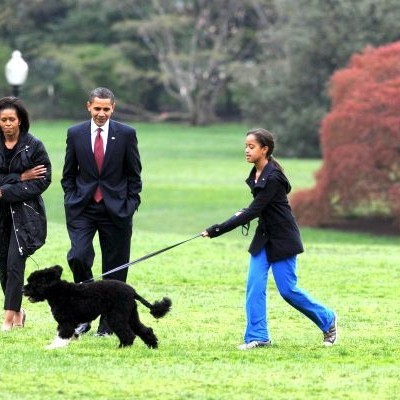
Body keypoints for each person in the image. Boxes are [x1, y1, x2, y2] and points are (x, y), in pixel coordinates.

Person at [202, 128, 337, 350]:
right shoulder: (257, 174)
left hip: (283, 238)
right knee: (254, 286)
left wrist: (217, 229)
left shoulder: (273, 177)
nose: (246, 150)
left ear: (264, 150)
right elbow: (257, 209)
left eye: (251, 146)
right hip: (264, 237)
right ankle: (258, 336)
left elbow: (254, 210)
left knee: (288, 291)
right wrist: (239, 215)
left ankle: (327, 319)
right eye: (246, 146)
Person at [61, 87, 142, 337]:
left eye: (106, 109)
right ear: (89, 107)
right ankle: (83, 313)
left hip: (117, 211)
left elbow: (134, 175)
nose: (102, 113)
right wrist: (72, 199)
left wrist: (129, 205)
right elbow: (68, 174)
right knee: (78, 256)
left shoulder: (127, 134)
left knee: (115, 269)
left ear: (113, 108)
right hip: (83, 208)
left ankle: (107, 325)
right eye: (97, 108)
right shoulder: (75, 134)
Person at [0, 96, 51, 331]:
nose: (7, 124)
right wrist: (19, 178)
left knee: (14, 265)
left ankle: (8, 321)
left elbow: (43, 180)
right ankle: (18, 311)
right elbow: (23, 180)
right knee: (2, 266)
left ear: (20, 121)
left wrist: (4, 192)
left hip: (25, 217)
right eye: (3, 120)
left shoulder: (34, 146)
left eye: (11, 119)